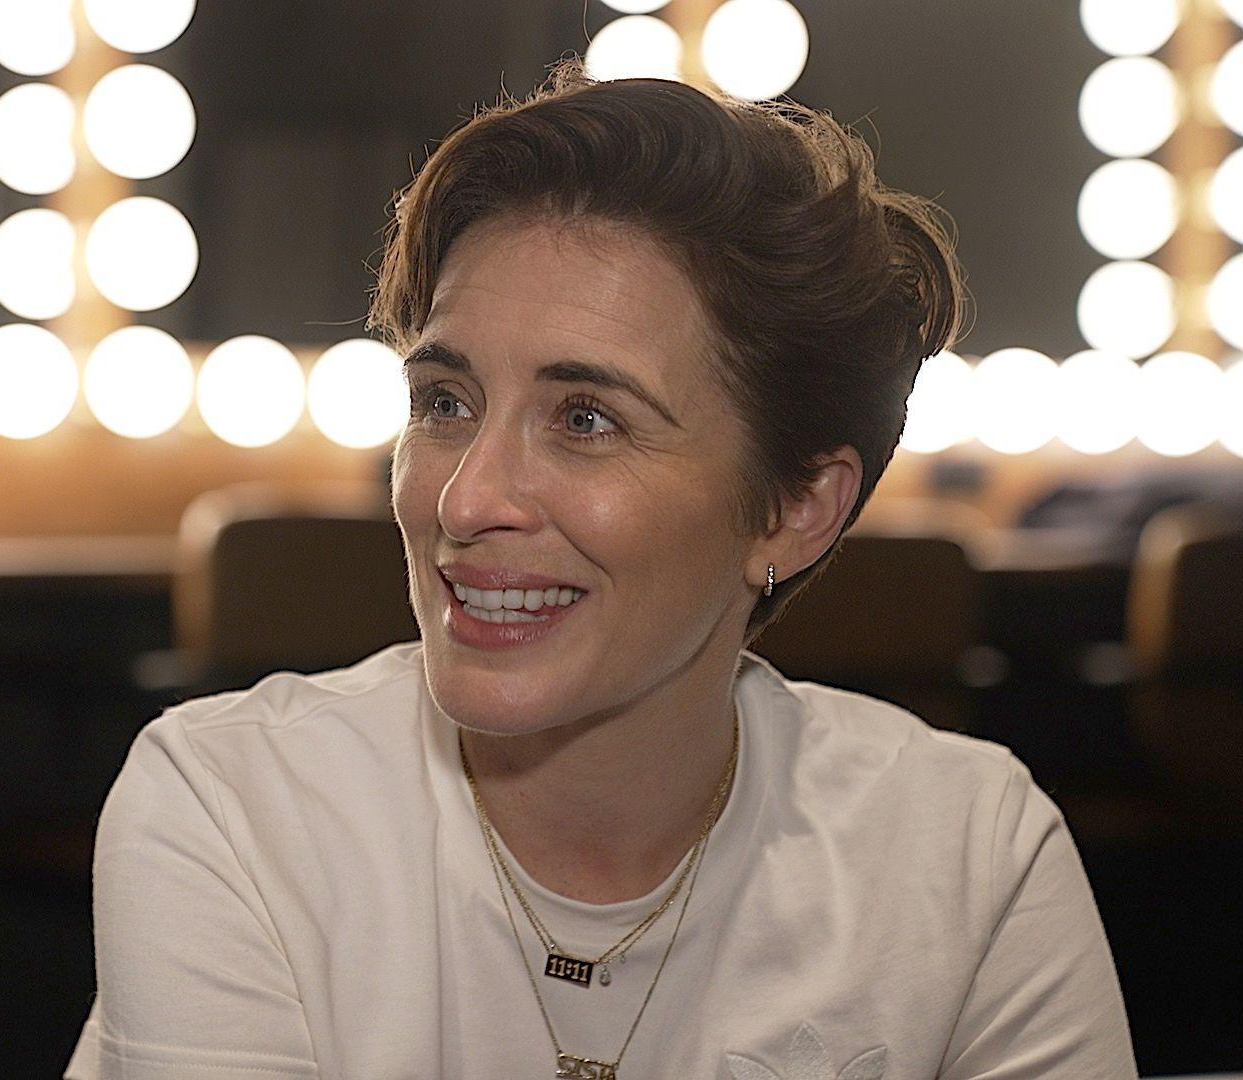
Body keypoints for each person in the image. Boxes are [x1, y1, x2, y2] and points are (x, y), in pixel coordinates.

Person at [65, 64, 1137, 1079]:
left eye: (586, 420)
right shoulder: (235, 810)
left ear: (797, 509)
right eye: (446, 402)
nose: (465, 499)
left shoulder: (965, 855)